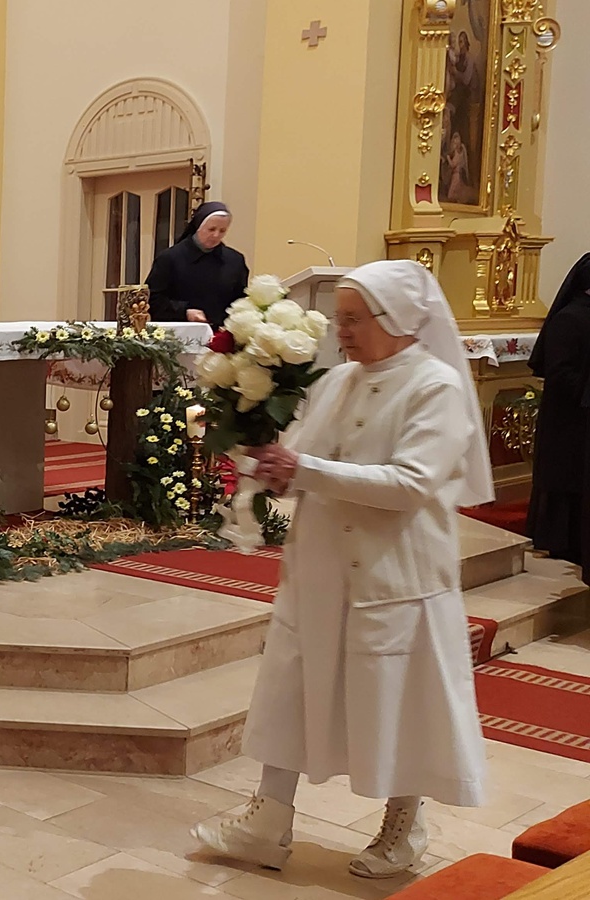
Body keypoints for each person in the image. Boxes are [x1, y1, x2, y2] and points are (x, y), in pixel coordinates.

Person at [194, 260, 493, 879]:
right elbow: (304, 457)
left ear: (397, 318)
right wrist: (270, 467)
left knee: (400, 699)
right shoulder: (337, 381)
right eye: (340, 318)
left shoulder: (435, 386)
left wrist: (302, 469)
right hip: (321, 566)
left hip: (396, 574)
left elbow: (411, 483)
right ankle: (266, 822)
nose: (343, 331)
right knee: (291, 689)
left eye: (354, 319)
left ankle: (404, 825)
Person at [526, 253, 590, 567]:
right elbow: (559, 371)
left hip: (582, 413)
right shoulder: (570, 317)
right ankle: (558, 539)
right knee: (564, 475)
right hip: (567, 415)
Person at [145, 201, 249, 329]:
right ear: (198, 226)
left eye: (222, 231)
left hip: (221, 334)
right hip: (180, 333)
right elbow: (152, 299)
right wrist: (184, 312)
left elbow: (241, 301)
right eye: (211, 229)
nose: (216, 235)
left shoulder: (235, 260)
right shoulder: (170, 258)